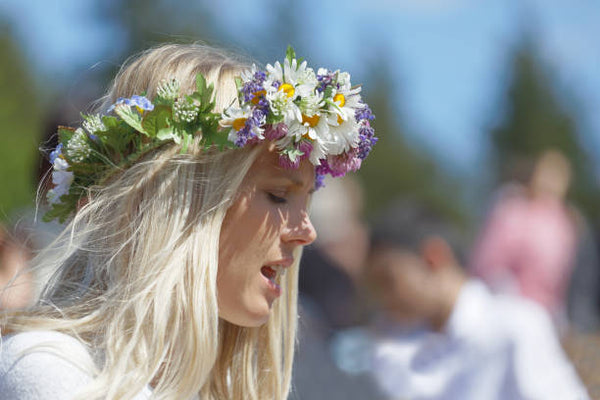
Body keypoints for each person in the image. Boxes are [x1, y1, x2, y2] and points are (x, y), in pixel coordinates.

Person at [0, 43, 377, 399]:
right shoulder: (53, 370)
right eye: (278, 196)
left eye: (306, 203)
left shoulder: (218, 387)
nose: (306, 233)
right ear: (182, 199)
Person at [366, 201, 589, 400]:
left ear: (432, 258)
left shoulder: (516, 326)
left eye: (388, 281)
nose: (384, 299)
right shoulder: (396, 349)